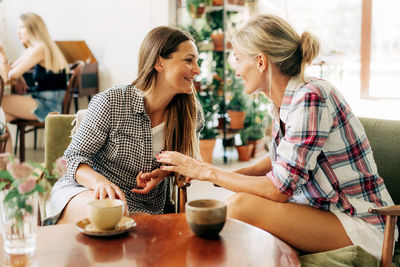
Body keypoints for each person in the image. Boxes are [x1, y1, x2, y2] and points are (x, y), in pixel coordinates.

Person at [152, 15, 396, 260]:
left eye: (237, 59)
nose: (236, 71)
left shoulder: (311, 97)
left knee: (239, 207)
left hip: (362, 225)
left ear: (260, 62)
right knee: (238, 205)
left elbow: (278, 189)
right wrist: (219, 174)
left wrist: (206, 171)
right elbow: (281, 164)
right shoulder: (281, 105)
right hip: (323, 213)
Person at [44, 26, 203, 225]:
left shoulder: (191, 114)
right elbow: (71, 159)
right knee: (112, 215)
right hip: (85, 193)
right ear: (159, 63)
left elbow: (189, 160)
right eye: (189, 60)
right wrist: (100, 183)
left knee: (130, 226)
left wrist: (164, 172)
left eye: (196, 61)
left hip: (143, 208)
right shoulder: (112, 102)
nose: (197, 70)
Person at [0, 13, 68, 126]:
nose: (18, 32)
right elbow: (11, 70)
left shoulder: (40, 48)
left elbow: (12, 75)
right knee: (1, 121)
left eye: (21, 28)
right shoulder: (35, 48)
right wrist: (4, 56)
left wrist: (17, 76)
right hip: (43, 101)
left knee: (2, 102)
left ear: (33, 29)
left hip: (49, 106)